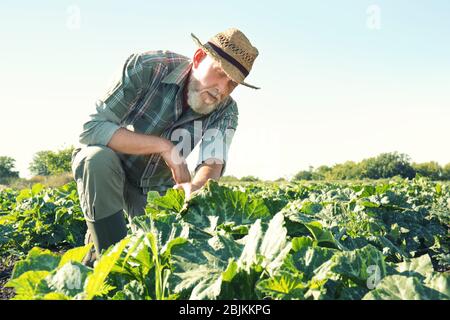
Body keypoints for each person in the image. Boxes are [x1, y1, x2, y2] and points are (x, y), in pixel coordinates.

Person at [71, 28, 260, 265]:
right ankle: (105, 259)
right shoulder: (150, 67)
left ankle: (108, 243)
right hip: (113, 173)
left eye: (232, 84)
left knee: (159, 260)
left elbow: (212, 162)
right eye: (221, 73)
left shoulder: (226, 110)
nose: (222, 89)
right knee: (95, 159)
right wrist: (164, 147)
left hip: (156, 189)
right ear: (199, 58)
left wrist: (196, 186)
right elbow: (92, 128)